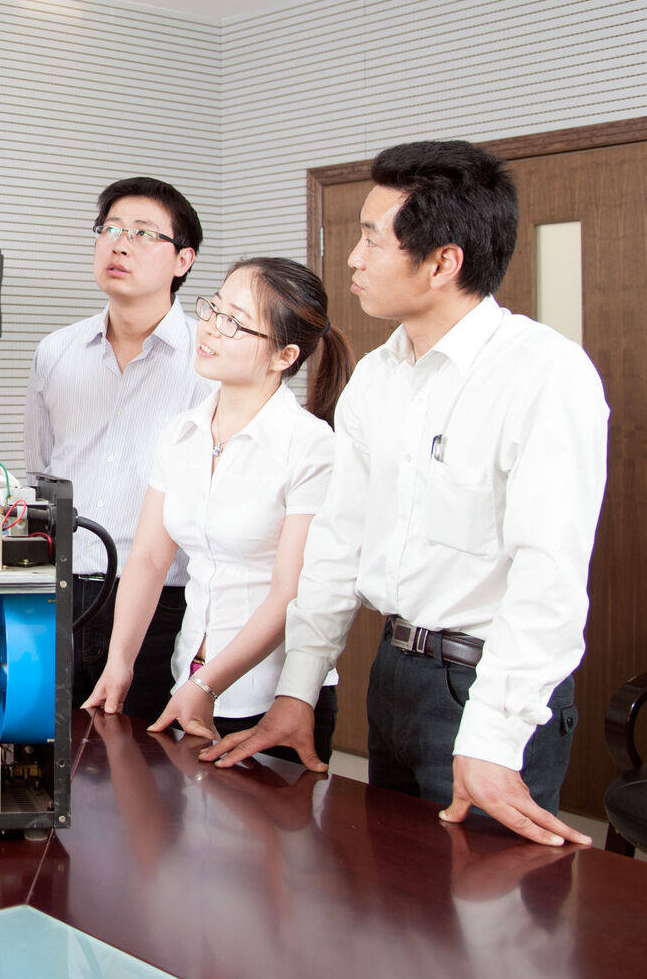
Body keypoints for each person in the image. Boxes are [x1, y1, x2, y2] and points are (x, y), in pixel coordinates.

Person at [203, 141, 609, 848]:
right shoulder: (378, 377)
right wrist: (299, 689)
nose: (353, 259)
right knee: (396, 892)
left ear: (443, 262)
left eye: (371, 239)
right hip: (394, 675)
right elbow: (337, 545)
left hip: (488, 687)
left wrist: (493, 735)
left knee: (486, 904)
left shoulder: (544, 374)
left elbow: (550, 577)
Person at [82, 257, 351, 763]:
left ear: (284, 356)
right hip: (187, 679)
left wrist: (208, 685)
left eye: (235, 322)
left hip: (267, 697)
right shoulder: (181, 432)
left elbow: (289, 592)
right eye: (213, 309)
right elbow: (148, 560)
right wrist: (120, 661)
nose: (209, 328)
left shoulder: (311, 446)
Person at [25, 177, 214, 725]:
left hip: (165, 606)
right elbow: (41, 473)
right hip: (60, 597)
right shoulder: (55, 352)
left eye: (143, 233)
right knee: (50, 752)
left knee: (143, 765)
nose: (120, 244)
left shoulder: (209, 360)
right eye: (110, 229)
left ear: (183, 260)